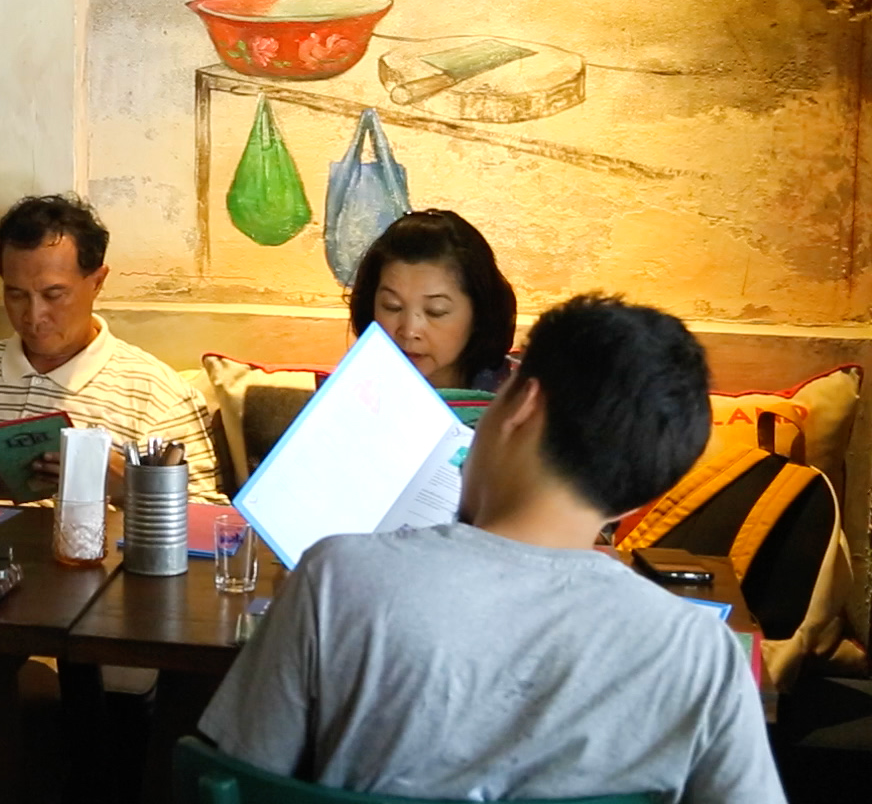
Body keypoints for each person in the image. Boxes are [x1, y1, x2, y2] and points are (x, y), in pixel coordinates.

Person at [200, 295, 784, 803]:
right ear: (638, 498)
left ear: (523, 405)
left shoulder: (337, 578)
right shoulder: (700, 654)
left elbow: (231, 780)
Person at [0, 195, 223, 504]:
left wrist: (130, 485)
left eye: (54, 294)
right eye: (17, 295)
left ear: (98, 281)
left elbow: (208, 524)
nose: (34, 317)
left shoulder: (156, 394)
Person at [349, 209, 517, 393]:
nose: (409, 331)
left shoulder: (517, 408)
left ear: (479, 313)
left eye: (435, 311)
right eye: (392, 306)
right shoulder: (349, 399)